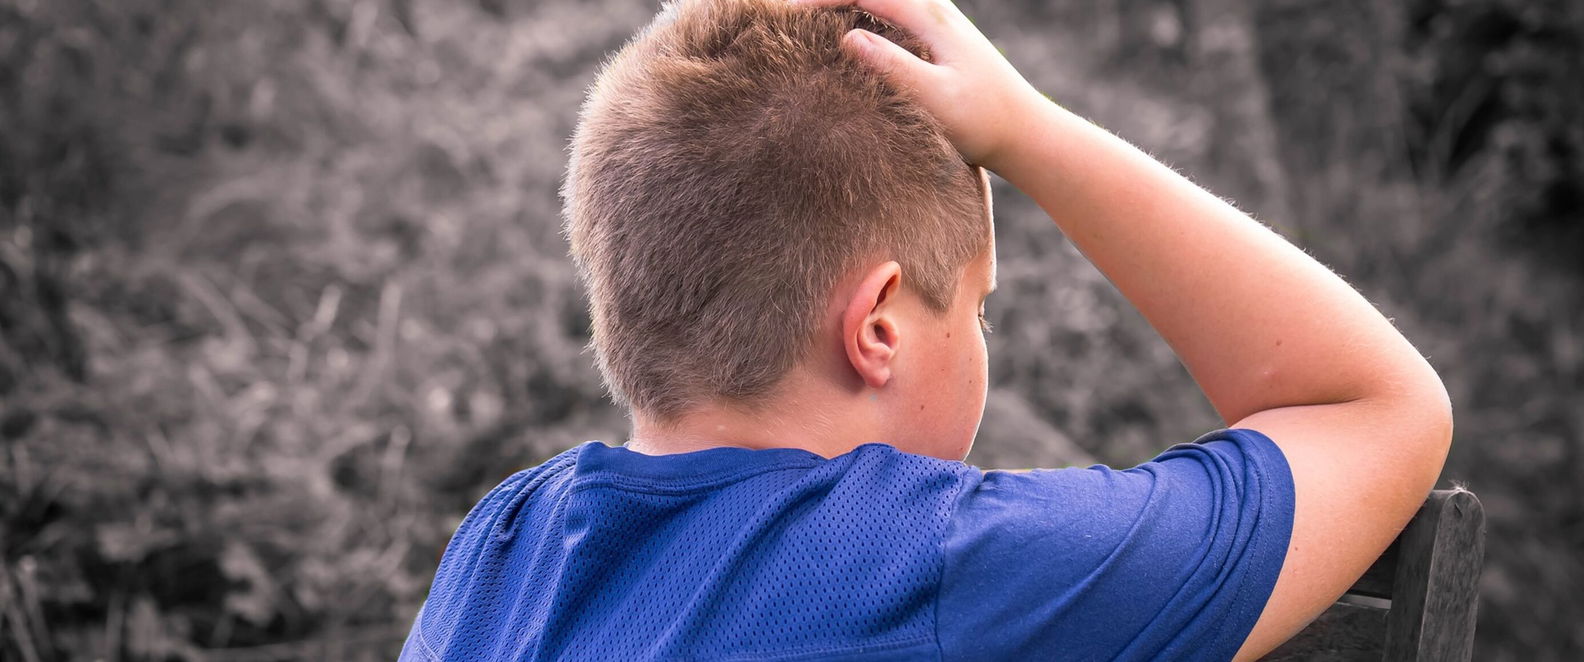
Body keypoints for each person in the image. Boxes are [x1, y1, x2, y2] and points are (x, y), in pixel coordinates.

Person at [397, 0, 1454, 659]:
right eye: (978, 305)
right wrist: (1028, 131)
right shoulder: (938, 568)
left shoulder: (505, 540)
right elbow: (1376, 406)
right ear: (878, 328)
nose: (984, 335)